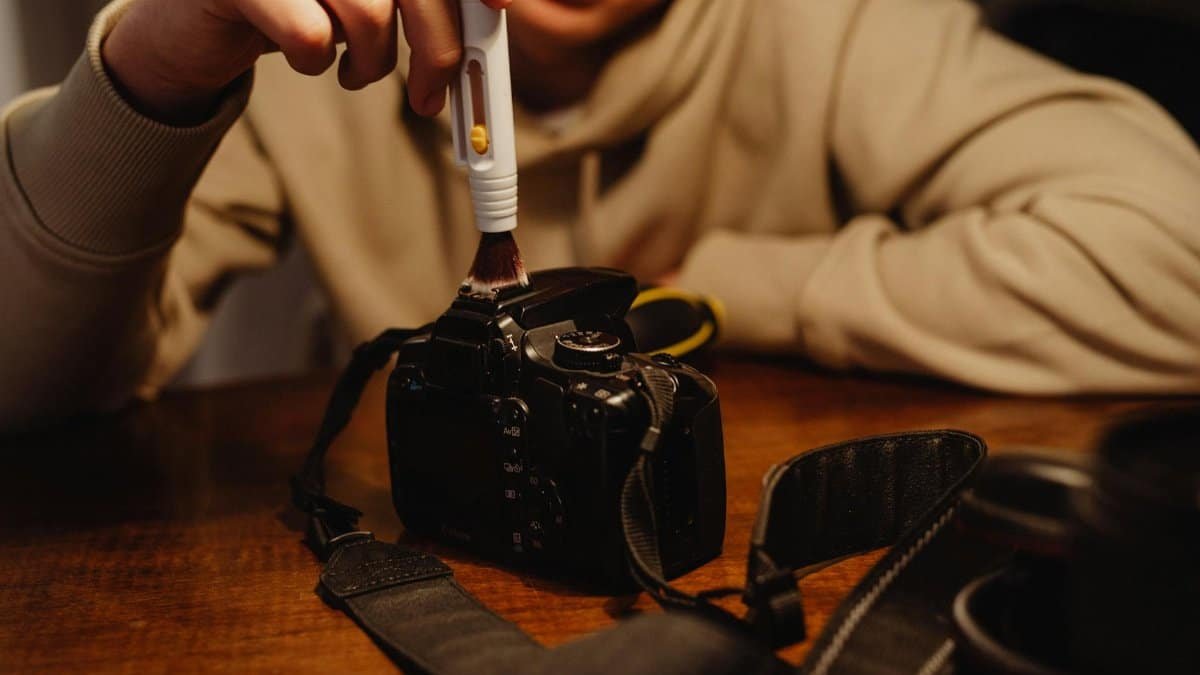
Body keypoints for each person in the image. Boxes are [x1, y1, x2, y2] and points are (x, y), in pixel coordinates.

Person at [2, 0, 1198, 431]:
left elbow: (1174, 251)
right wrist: (144, 80)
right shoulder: (304, 59)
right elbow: (26, 390)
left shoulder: (836, 24)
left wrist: (713, 293)